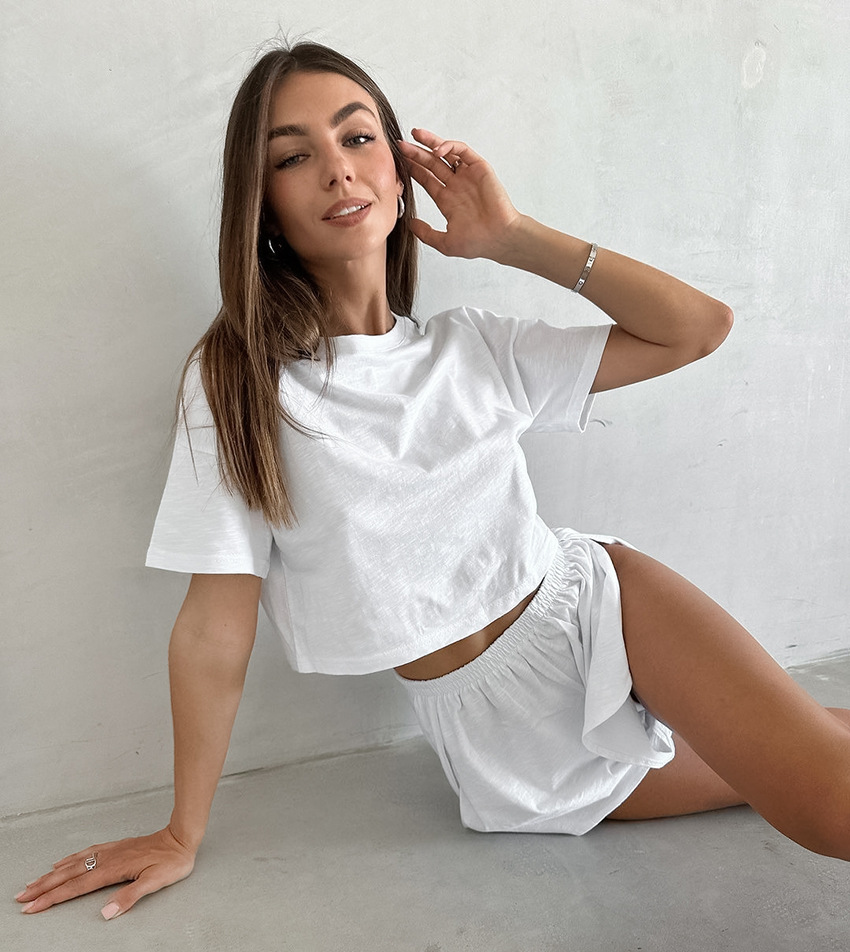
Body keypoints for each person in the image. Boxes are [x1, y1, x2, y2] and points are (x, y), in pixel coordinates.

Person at [16, 41, 850, 921]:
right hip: (497, 746)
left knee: (826, 802)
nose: (338, 170)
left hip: (595, 613)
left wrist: (514, 237)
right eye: (293, 156)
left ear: (400, 167)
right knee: (823, 751)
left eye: (357, 138)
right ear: (261, 203)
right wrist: (182, 832)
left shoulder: (474, 348)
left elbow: (698, 328)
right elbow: (212, 630)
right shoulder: (239, 382)